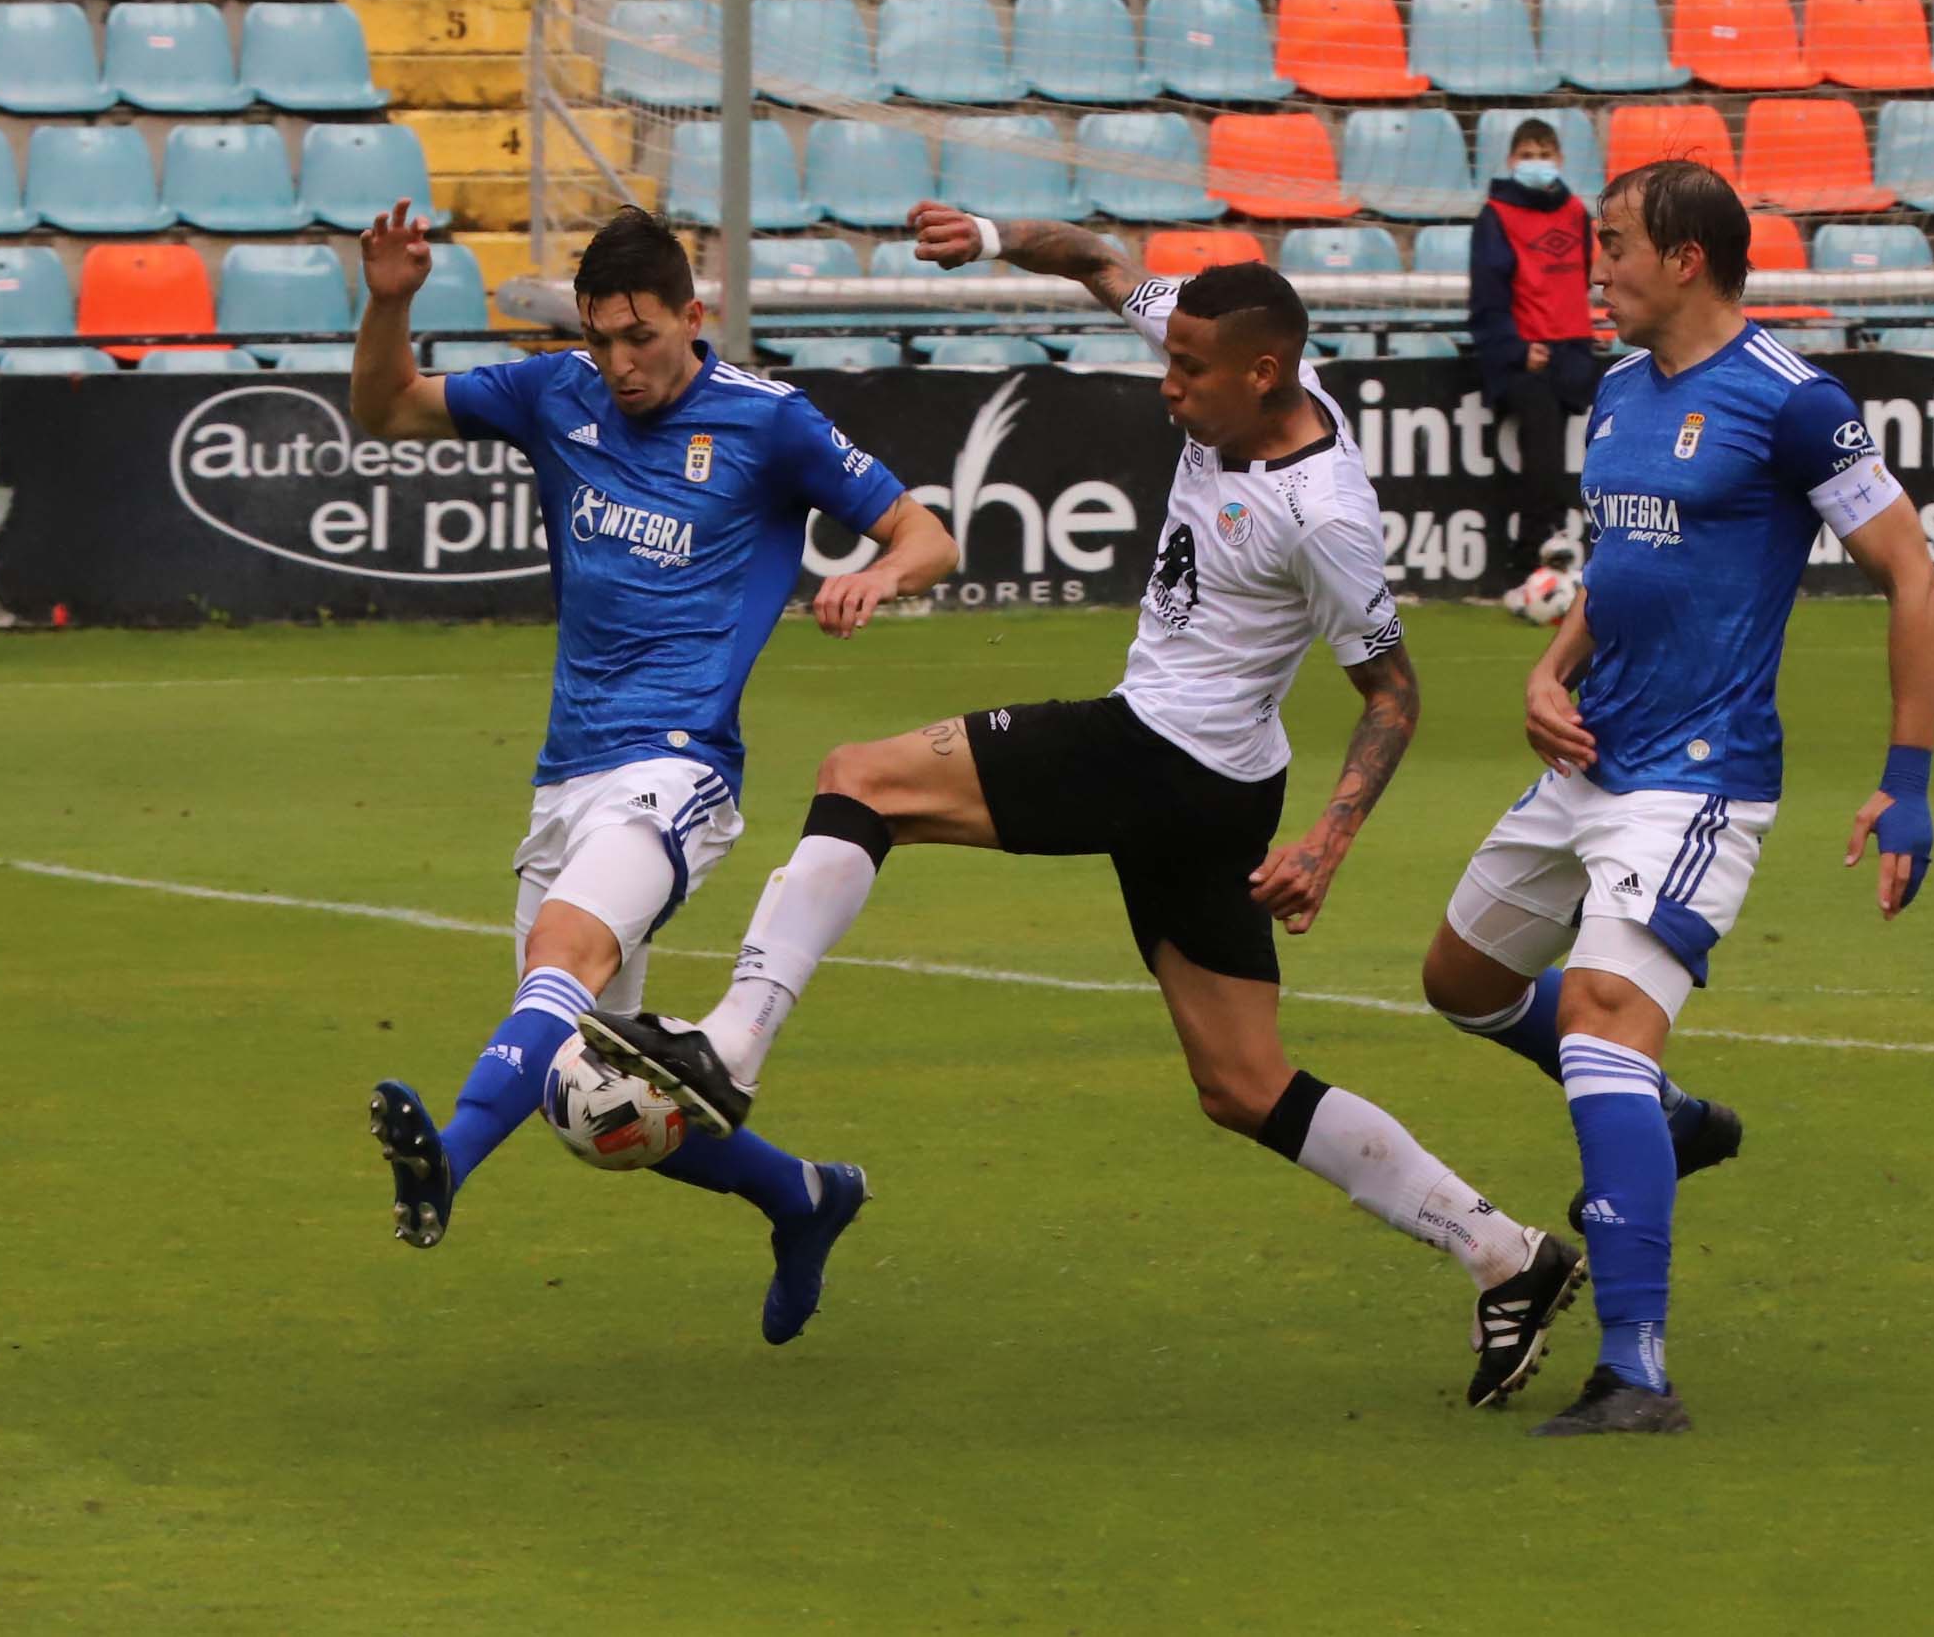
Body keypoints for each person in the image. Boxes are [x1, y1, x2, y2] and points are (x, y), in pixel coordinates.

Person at [587, 203, 1590, 1413]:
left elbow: (1392, 692)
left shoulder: (1323, 512)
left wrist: (1327, 845)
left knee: (861, 776)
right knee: (1243, 1082)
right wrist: (997, 230)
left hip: (1161, 755)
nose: (1168, 386)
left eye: (1188, 373)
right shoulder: (1238, 351)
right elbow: (1102, 262)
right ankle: (1501, 1249)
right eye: (1169, 359)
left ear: (1263, 372)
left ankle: (732, 1045)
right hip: (1218, 780)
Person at [346, 200, 957, 1344]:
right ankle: (803, 1196)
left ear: (693, 313)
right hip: (566, 775)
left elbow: (927, 531)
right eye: (602, 339)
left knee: (559, 957)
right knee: (592, 1086)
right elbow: (385, 405)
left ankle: (447, 1168)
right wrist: (389, 300)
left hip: (679, 771)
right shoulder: (552, 394)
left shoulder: (769, 423)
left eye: (643, 337)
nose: (622, 364)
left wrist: (883, 575)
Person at [1417, 160, 1934, 1438]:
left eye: (1612, 247)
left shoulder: (1793, 402)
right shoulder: (1613, 390)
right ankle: (1662, 1119)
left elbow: (1914, 573)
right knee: (1463, 982)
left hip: (1697, 778)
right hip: (1586, 756)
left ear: (1688, 257)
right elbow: (1620, 563)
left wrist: (1908, 783)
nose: (1594, 269)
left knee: (1600, 1019)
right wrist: (1550, 667)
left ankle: (1636, 1369)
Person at [1466, 118, 1601, 599]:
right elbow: (1487, 296)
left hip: (1573, 352)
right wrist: (1518, 349)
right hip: (1530, 357)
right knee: (1540, 465)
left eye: (1544, 151)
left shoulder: (1576, 213)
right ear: (1510, 161)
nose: (1536, 160)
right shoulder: (1496, 216)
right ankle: (1528, 564)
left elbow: (1580, 278)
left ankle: (1558, 560)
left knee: (1571, 465)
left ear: (1560, 159)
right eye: (1527, 152)